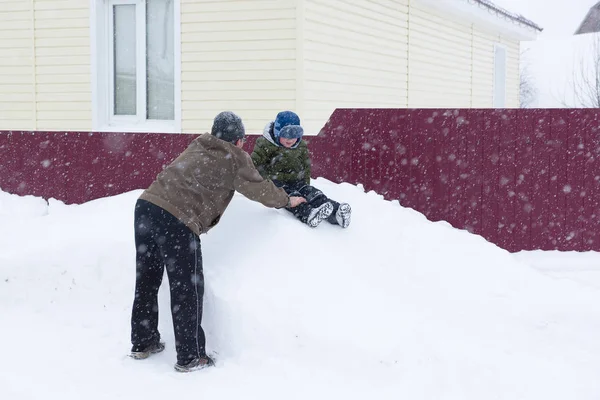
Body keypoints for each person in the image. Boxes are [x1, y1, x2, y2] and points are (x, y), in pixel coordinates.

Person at [129, 111, 306, 373]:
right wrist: (286, 200)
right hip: (177, 219)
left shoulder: (199, 144)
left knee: (147, 279)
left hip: (146, 207)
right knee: (186, 288)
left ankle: (143, 342)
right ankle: (191, 357)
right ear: (238, 141)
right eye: (243, 141)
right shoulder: (234, 157)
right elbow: (259, 189)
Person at [250, 110, 351, 229]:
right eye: (286, 134)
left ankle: (336, 213)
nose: (291, 139)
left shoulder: (300, 145)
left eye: (295, 135)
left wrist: (305, 184)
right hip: (275, 182)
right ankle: (308, 214)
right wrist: (261, 184)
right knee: (293, 197)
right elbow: (254, 164)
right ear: (277, 132)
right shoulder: (265, 144)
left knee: (312, 193)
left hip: (296, 180)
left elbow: (305, 165)